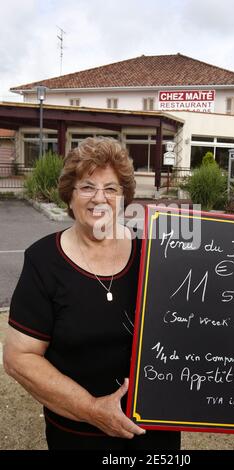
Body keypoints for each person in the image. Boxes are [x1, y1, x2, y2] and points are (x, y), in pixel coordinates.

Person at [3, 137, 181, 451]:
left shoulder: (155, 251)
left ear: (124, 198)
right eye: (87, 187)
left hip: (155, 434)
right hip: (78, 436)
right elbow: (19, 357)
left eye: (111, 189)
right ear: (69, 197)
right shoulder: (44, 261)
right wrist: (91, 409)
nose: (100, 198)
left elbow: (205, 305)